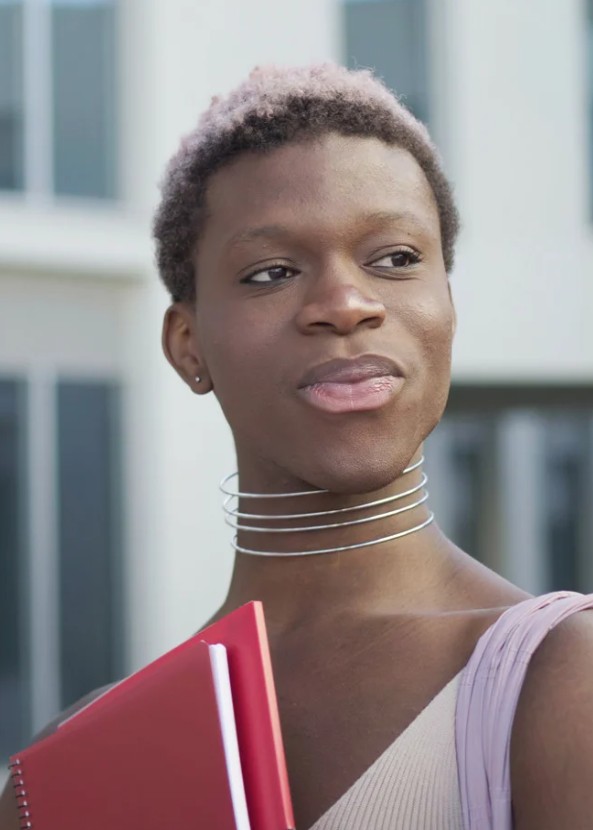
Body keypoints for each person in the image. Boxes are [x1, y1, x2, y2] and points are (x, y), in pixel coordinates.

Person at [2, 63, 593, 830]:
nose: (345, 304)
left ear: (447, 303)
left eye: (395, 258)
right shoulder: (70, 774)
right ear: (187, 345)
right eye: (271, 271)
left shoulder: (563, 676)